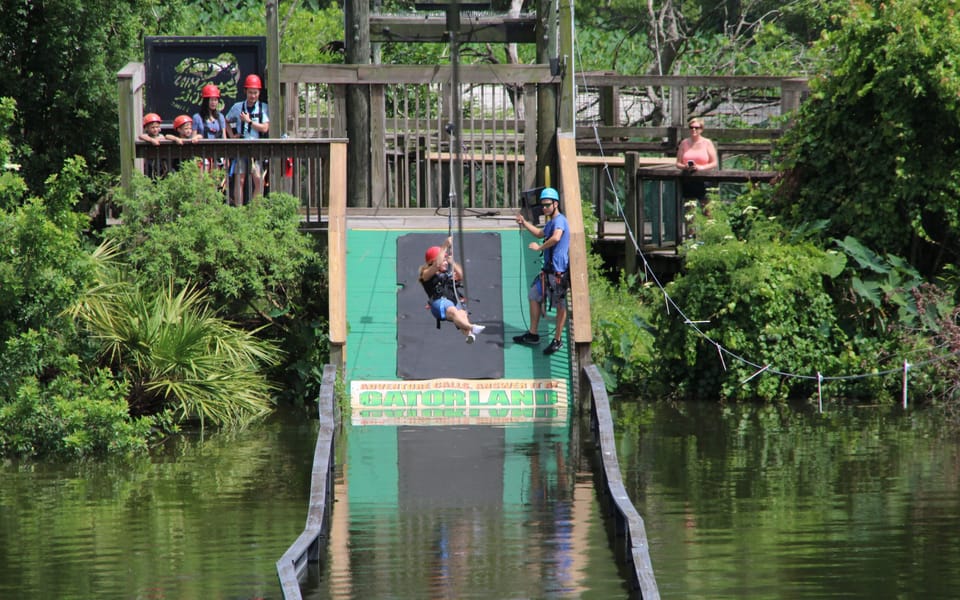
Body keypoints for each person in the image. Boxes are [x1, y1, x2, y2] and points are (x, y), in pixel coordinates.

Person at [513, 186, 570, 356]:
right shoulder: (551, 222)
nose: (544, 208)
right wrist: (524, 223)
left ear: (555, 204)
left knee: (560, 305)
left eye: (547, 205)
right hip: (548, 270)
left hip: (557, 271)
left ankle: (557, 340)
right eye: (542, 205)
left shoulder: (559, 221)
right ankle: (533, 334)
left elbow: (556, 238)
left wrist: (540, 248)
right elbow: (539, 233)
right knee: (534, 295)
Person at [419, 236, 485, 344]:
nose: (445, 262)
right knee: (453, 310)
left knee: (462, 314)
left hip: (452, 303)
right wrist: (445, 245)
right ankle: (472, 327)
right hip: (439, 303)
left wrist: (452, 262)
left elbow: (461, 275)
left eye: (445, 260)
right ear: (433, 261)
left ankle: (469, 334)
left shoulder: (447, 275)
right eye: (443, 260)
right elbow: (437, 265)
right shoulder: (426, 275)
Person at [226, 73, 270, 205]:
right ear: (245, 91)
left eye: (255, 93)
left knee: (259, 180)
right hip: (241, 147)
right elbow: (226, 120)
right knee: (240, 179)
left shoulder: (264, 108)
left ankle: (254, 210)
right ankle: (239, 211)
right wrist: (232, 136)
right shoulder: (238, 107)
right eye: (250, 92)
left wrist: (249, 122)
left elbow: (265, 128)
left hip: (256, 148)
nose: (253, 96)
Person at [675, 117, 719, 205]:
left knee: (707, 210)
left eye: (696, 127)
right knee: (690, 211)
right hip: (688, 179)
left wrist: (701, 167)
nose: (693, 129)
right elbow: (678, 163)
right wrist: (685, 167)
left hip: (705, 180)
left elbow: (714, 163)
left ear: (701, 129)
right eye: (691, 127)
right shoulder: (684, 143)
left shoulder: (707, 143)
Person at [138, 113, 167, 178]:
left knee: (163, 174)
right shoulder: (146, 136)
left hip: (160, 160)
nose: (155, 129)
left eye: (157, 127)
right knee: (150, 174)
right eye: (152, 127)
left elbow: (164, 137)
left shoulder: (161, 136)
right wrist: (152, 140)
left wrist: (158, 139)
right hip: (150, 160)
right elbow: (141, 136)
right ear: (146, 128)